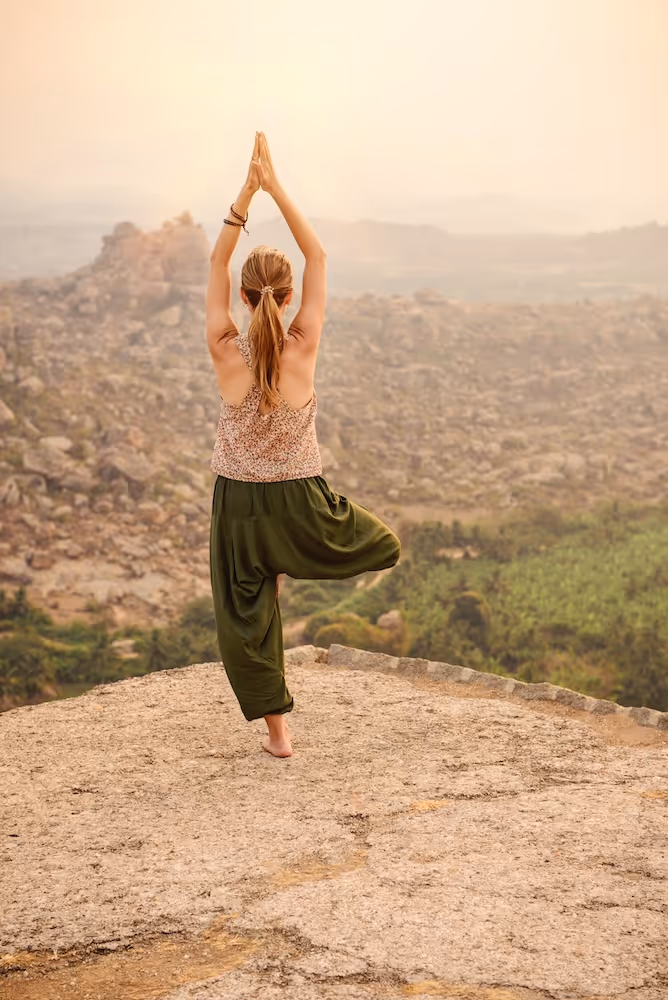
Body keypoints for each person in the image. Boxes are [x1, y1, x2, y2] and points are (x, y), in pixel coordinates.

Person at [206, 132, 401, 758]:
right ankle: (294, 556)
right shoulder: (303, 344)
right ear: (287, 299)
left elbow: (215, 265)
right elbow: (316, 255)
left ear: (244, 296)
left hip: (239, 506)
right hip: (301, 505)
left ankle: (279, 736)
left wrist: (244, 194)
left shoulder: (223, 349)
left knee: (247, 619)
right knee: (383, 543)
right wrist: (274, 185)